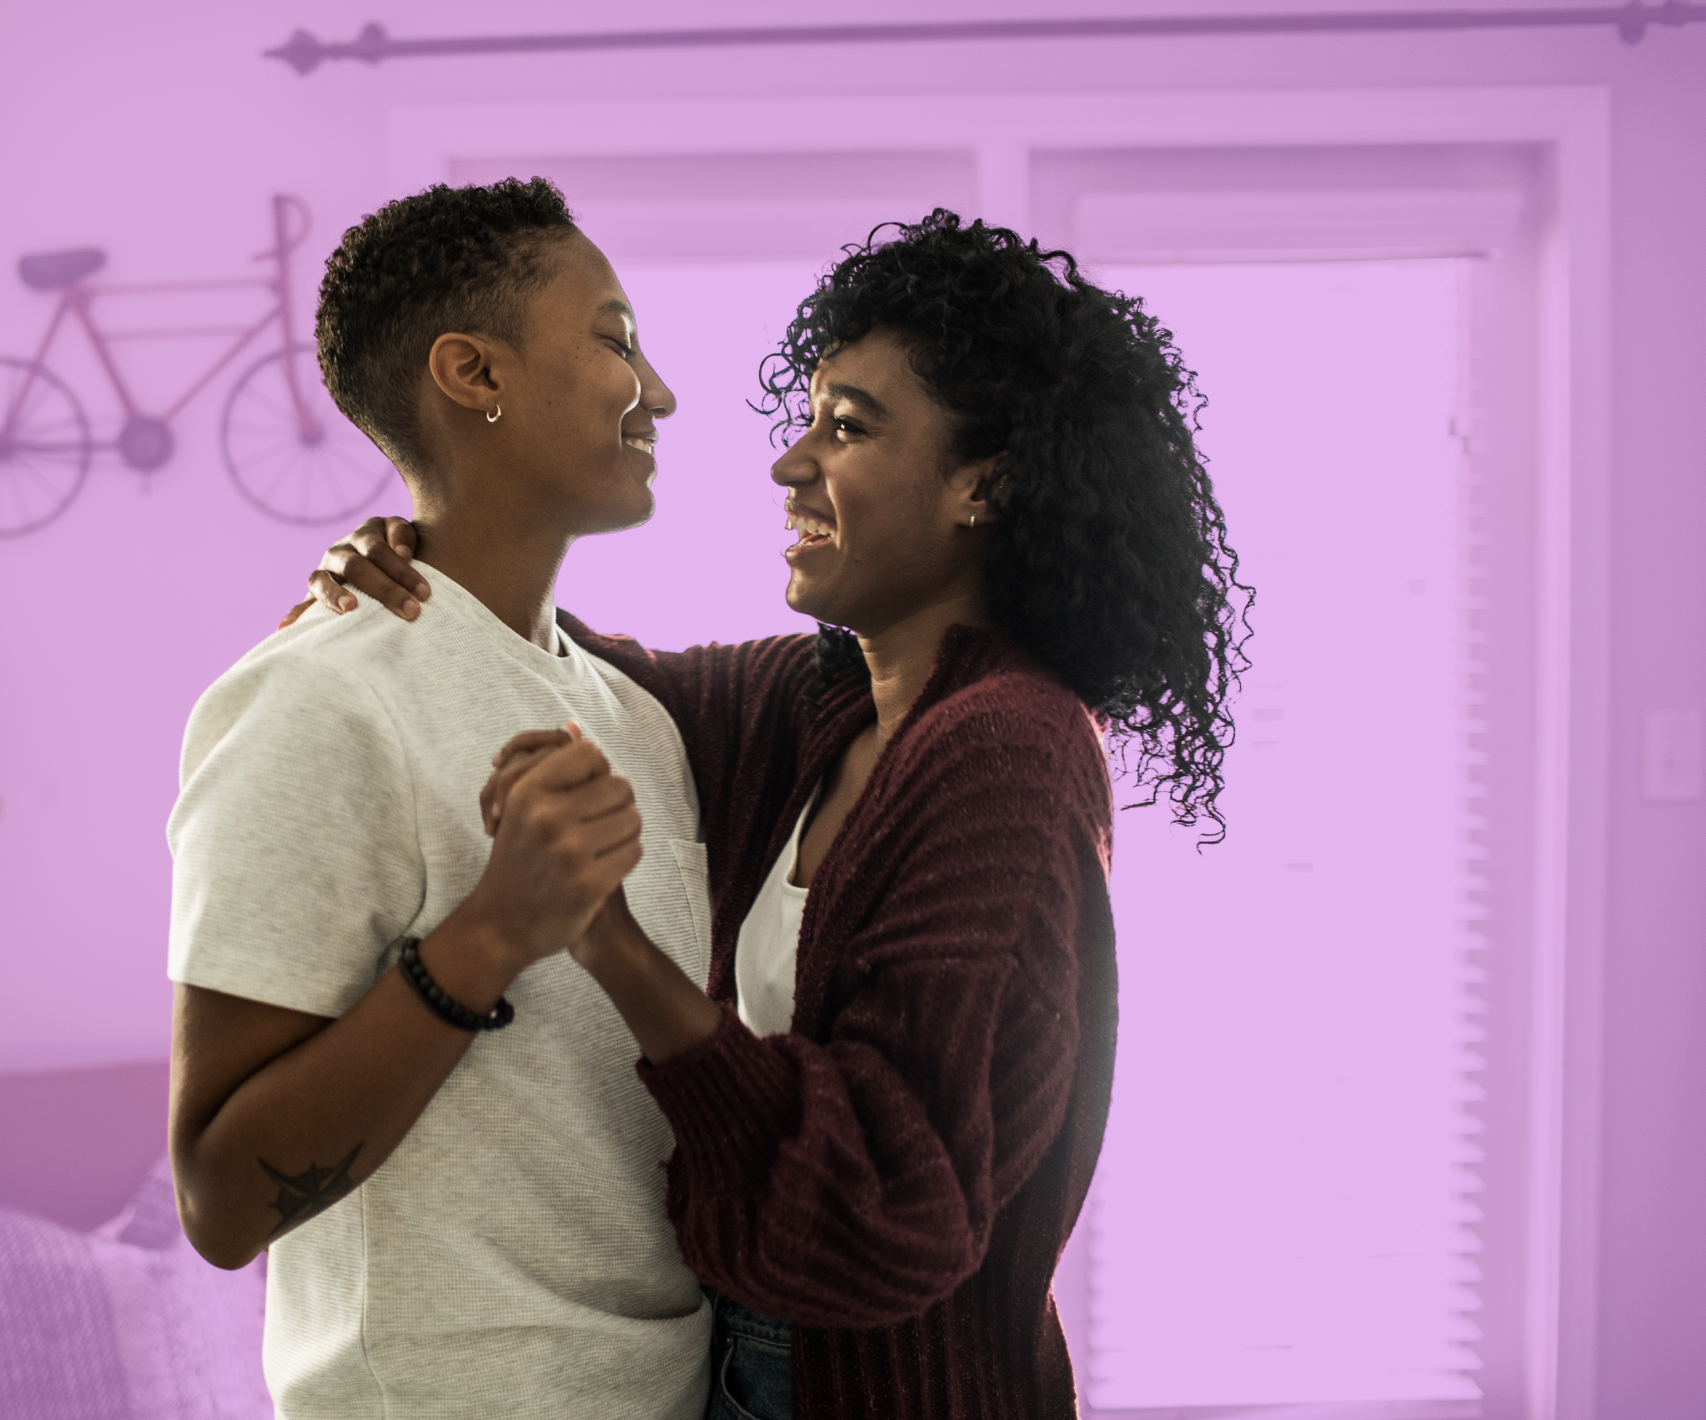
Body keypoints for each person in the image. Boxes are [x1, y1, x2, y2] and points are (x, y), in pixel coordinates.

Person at [294, 211, 1248, 1420]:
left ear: (982, 484)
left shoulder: (1009, 749)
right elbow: (571, 663)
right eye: (806, 420)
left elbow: (887, 1212)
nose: (789, 465)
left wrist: (612, 947)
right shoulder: (814, 702)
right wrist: (402, 568)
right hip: (743, 1361)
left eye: (847, 427)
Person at [166, 178, 721, 1419]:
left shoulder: (637, 718)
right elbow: (220, 1201)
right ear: (474, 373)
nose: (660, 391)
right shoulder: (316, 700)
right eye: (617, 339)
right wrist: (489, 935)